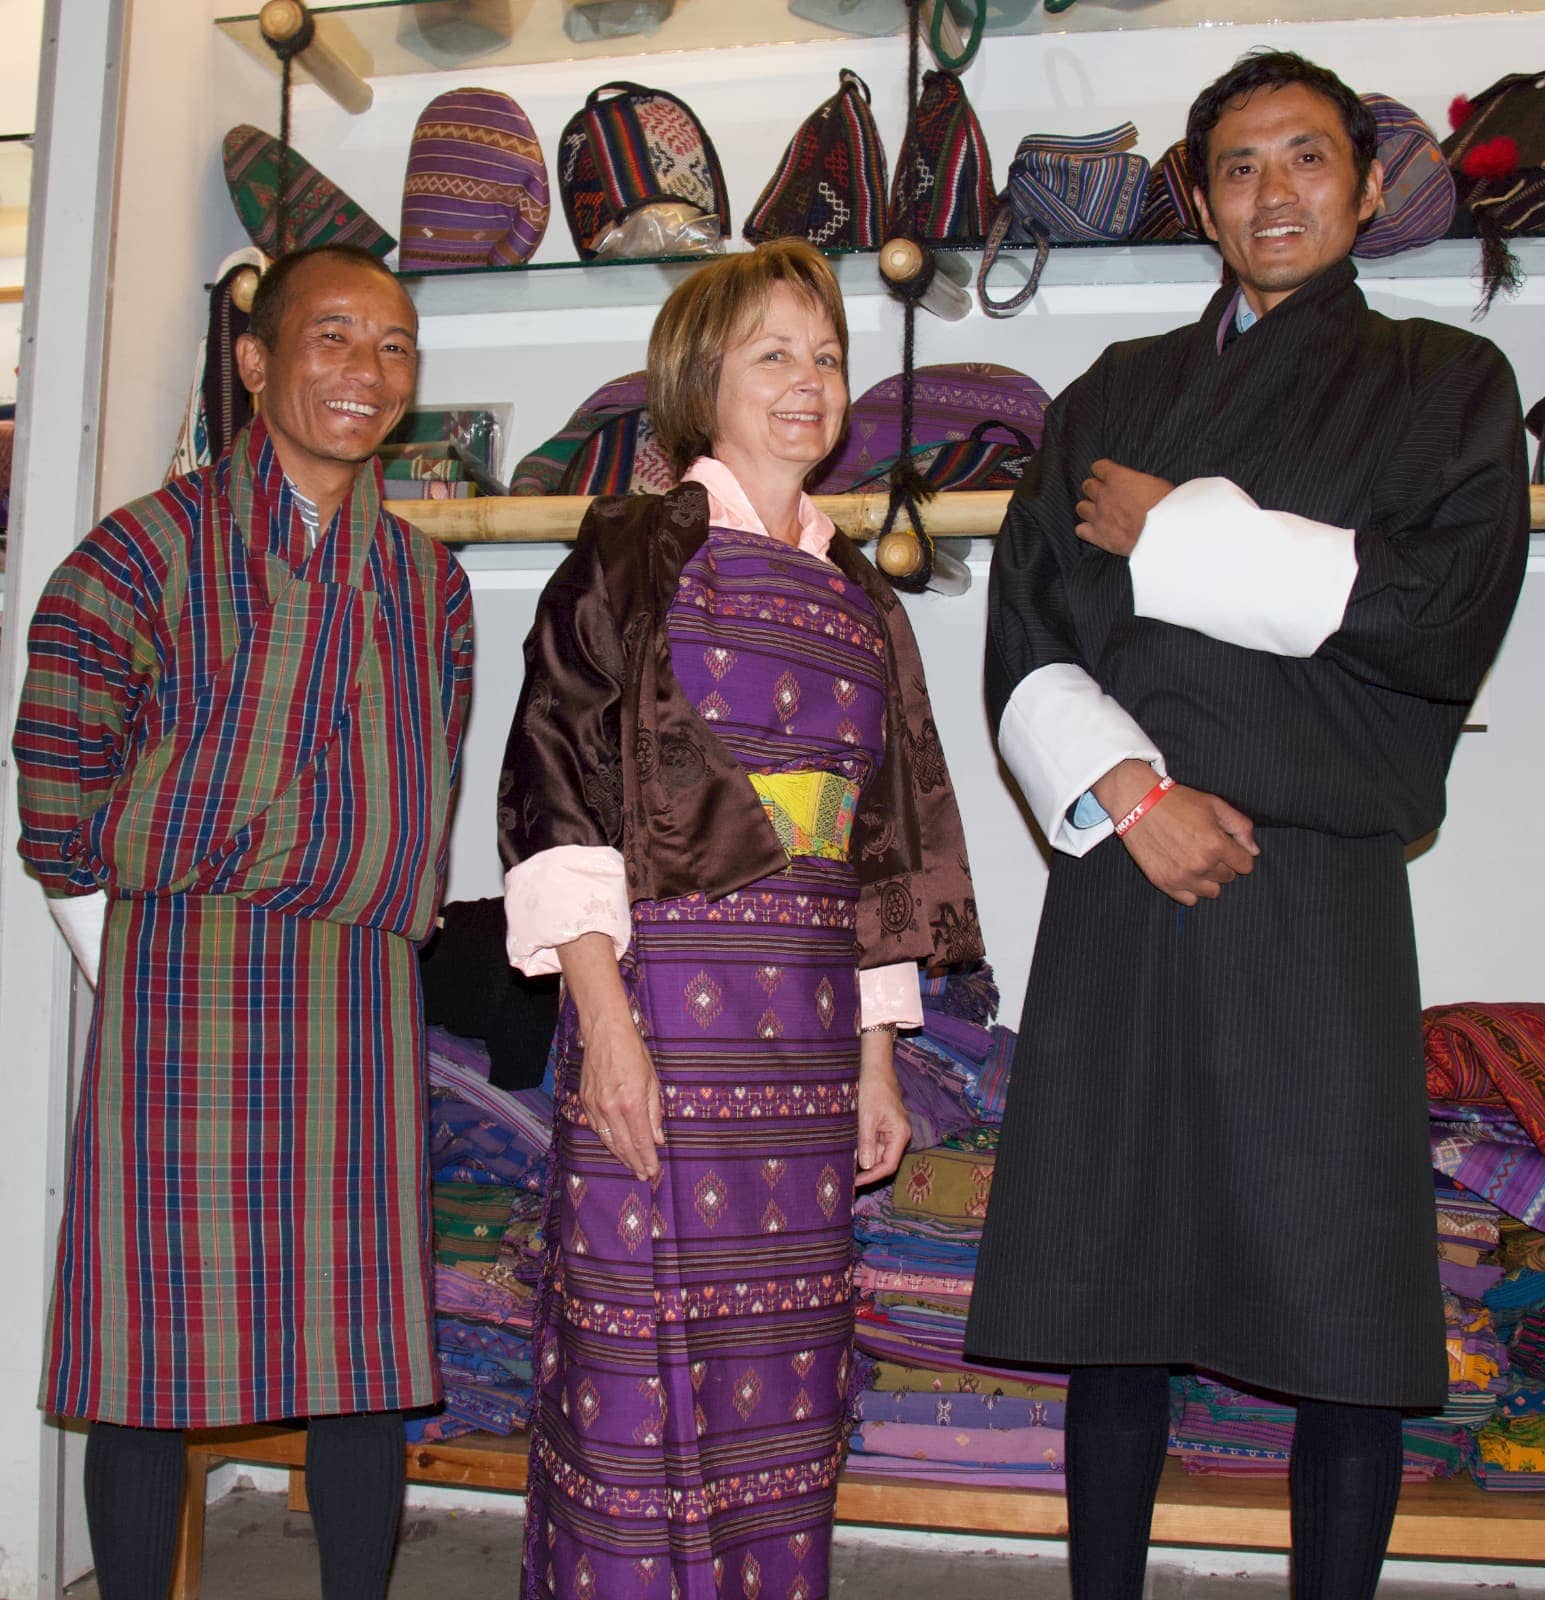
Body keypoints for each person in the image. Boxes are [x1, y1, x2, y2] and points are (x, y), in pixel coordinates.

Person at [966, 50, 1528, 1600]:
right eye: (1235, 167)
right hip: (1128, 870)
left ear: (1360, 187)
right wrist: (1126, 795)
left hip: (1312, 881)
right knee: (1115, 1284)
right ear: (1202, 202)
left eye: (1302, 160)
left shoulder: (1443, 388)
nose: (1270, 193)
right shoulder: (1112, 393)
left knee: (1337, 1298)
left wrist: (1184, 533)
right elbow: (1027, 634)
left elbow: (1432, 616)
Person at [498, 237, 981, 1600]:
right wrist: (601, 1023)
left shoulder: (862, 595)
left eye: (825, 356)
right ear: (696, 380)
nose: (808, 379)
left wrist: (882, 1057)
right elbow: (559, 781)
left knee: (782, 1385)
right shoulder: (627, 553)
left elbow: (889, 831)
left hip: (812, 1033)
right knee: (639, 1381)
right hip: (666, 1009)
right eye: (773, 352)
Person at [13, 243, 475, 1600]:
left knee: (363, 1359)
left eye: (393, 347)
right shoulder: (136, 556)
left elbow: (426, 778)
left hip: (359, 990)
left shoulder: (427, 586)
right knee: (147, 1362)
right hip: (185, 972)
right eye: (331, 338)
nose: (366, 372)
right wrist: (129, 963)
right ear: (258, 361)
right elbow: (55, 790)